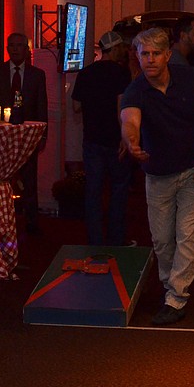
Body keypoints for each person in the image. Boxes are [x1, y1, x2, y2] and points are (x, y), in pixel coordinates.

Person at [120, 27, 194, 325]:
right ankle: (171, 288)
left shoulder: (190, 79)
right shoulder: (136, 91)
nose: (150, 60)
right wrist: (132, 142)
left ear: (168, 55)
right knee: (163, 240)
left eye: (156, 54)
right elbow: (130, 120)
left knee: (187, 234)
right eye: (145, 54)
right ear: (138, 57)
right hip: (158, 175)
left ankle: (176, 297)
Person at [0, 33, 48, 234]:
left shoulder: (37, 75)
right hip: (1, 136)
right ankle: (0, 222)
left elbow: (41, 106)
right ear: (7, 48)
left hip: (27, 136)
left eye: (20, 45)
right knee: (1, 180)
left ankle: (31, 222)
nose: (16, 49)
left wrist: (42, 135)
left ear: (26, 49)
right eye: (12, 46)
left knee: (29, 180)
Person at [71, 31, 132, 246]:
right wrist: (125, 137)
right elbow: (121, 108)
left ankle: (95, 240)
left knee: (93, 192)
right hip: (115, 141)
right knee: (118, 189)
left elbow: (76, 106)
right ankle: (116, 239)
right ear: (114, 49)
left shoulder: (86, 73)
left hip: (92, 140)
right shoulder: (121, 73)